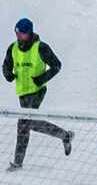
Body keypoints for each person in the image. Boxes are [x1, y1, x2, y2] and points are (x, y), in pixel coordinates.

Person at [3, 18, 72, 171]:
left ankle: (17, 163)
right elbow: (6, 65)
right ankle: (65, 135)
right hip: (22, 92)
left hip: (37, 91)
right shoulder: (12, 48)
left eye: (22, 34)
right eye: (17, 33)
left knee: (23, 124)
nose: (18, 36)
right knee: (31, 124)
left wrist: (42, 79)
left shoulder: (41, 48)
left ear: (29, 33)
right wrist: (7, 74)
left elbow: (57, 65)